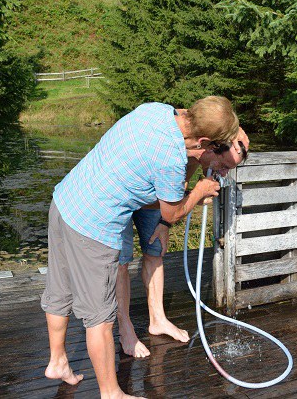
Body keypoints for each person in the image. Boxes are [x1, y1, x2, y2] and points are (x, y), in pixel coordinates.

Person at [40, 96, 240, 398]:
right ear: (203, 140)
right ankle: (112, 393)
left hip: (66, 201)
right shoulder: (171, 160)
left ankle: (57, 361)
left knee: (59, 291)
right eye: (214, 147)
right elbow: (171, 213)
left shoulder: (154, 111)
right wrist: (199, 191)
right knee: (99, 318)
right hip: (92, 228)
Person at [116, 136, 249, 358]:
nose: (225, 173)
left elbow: (178, 186)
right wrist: (195, 195)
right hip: (124, 192)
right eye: (224, 166)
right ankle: (125, 328)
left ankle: (157, 319)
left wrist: (165, 221)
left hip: (155, 197)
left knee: (155, 250)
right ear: (212, 148)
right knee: (121, 262)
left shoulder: (201, 155)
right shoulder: (178, 146)